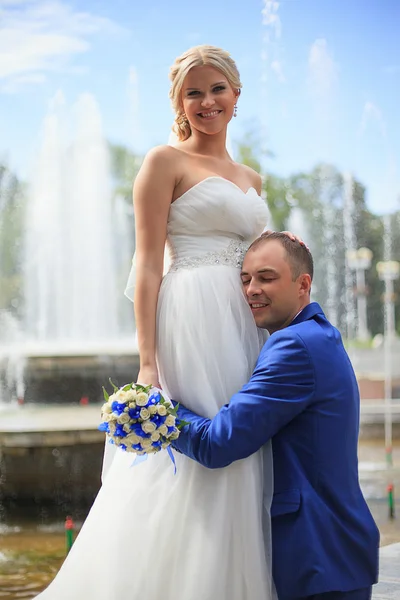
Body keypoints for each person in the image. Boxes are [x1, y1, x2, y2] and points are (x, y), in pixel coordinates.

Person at [35, 45, 280, 599]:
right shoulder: (164, 163)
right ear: (179, 103)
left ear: (236, 97)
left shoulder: (253, 178)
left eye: (216, 88)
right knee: (195, 445)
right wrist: (148, 362)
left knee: (243, 442)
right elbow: (147, 265)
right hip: (191, 314)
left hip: (246, 322)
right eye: (192, 92)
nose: (206, 101)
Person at [173, 232, 380, 600]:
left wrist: (159, 410)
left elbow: (218, 443)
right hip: (335, 553)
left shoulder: (293, 346)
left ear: (303, 284)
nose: (252, 289)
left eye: (267, 277)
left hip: (315, 555)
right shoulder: (319, 335)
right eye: (245, 279)